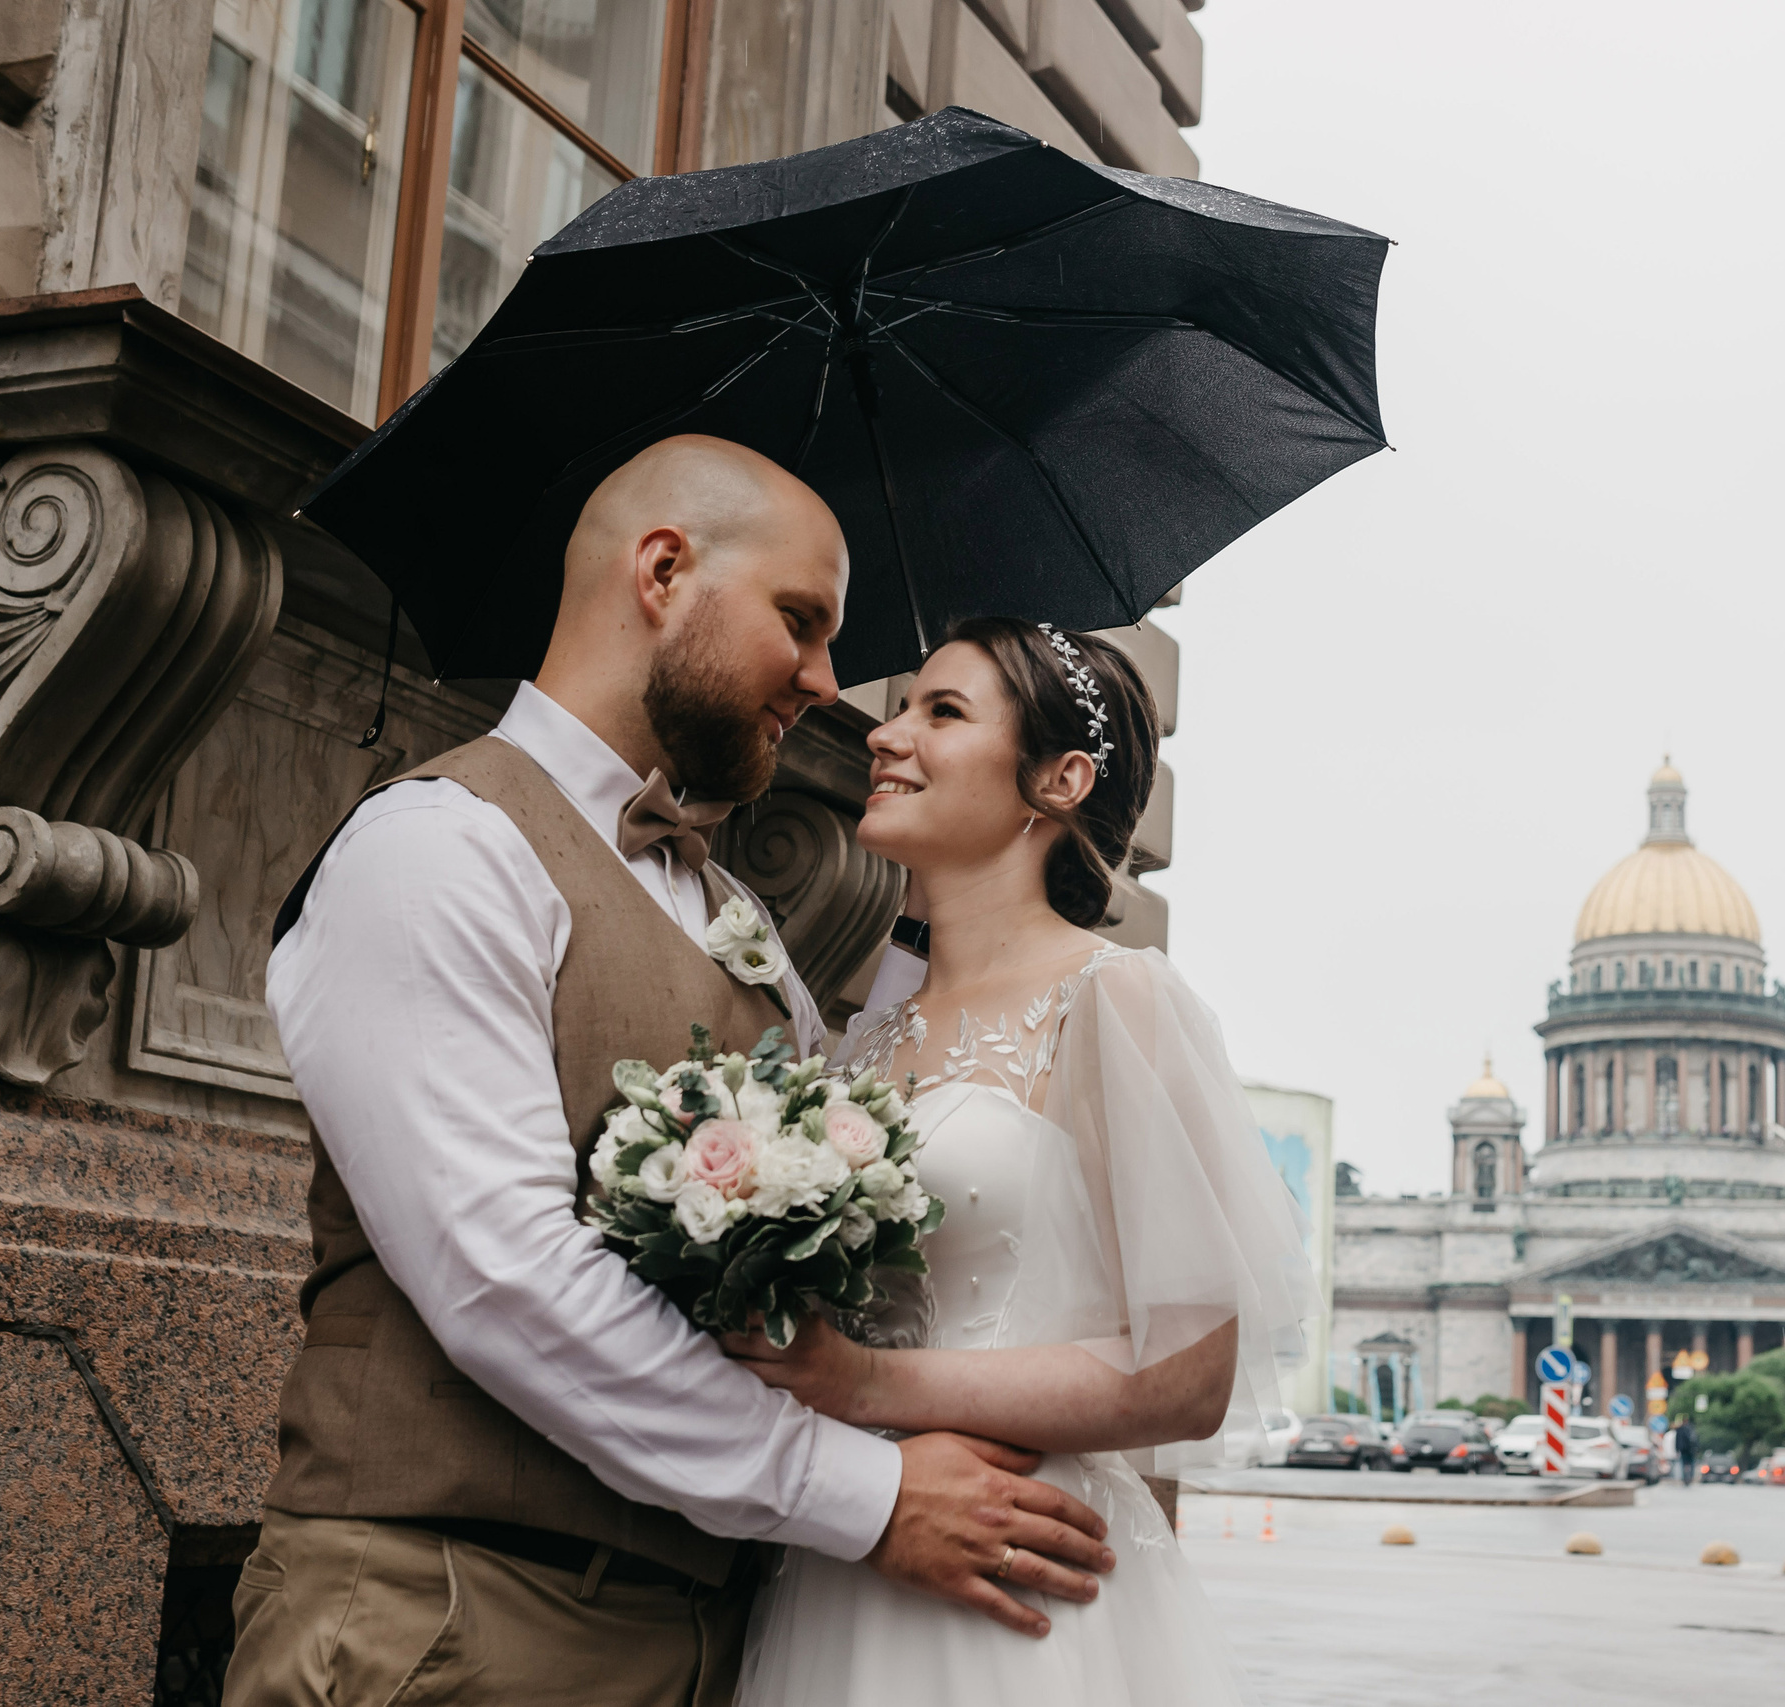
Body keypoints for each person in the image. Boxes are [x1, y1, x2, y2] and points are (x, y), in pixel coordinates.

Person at [224, 438, 1114, 1707]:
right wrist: (863, 1497)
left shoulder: (726, 905)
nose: (825, 684)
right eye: (800, 623)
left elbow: (882, 1143)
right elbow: (504, 1274)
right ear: (661, 571)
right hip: (453, 1620)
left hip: (711, 1632)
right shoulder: (437, 849)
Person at [722, 618, 1318, 1706]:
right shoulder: (860, 1040)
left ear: (1059, 778)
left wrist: (863, 1382)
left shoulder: (1116, 996)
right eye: (903, 707)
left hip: (1019, 1563)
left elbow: (1190, 1374)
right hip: (847, 1554)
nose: (884, 736)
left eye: (940, 713)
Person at [1674, 1416, 1699, 1486]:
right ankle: (1691, 1477)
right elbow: (1696, 1440)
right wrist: (1697, 1449)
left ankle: (1684, 1477)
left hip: (1683, 1450)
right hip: (1691, 1450)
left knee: (1683, 1464)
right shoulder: (1691, 1429)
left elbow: (1677, 1441)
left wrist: (1677, 1450)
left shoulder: (1679, 1429)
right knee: (1691, 1464)